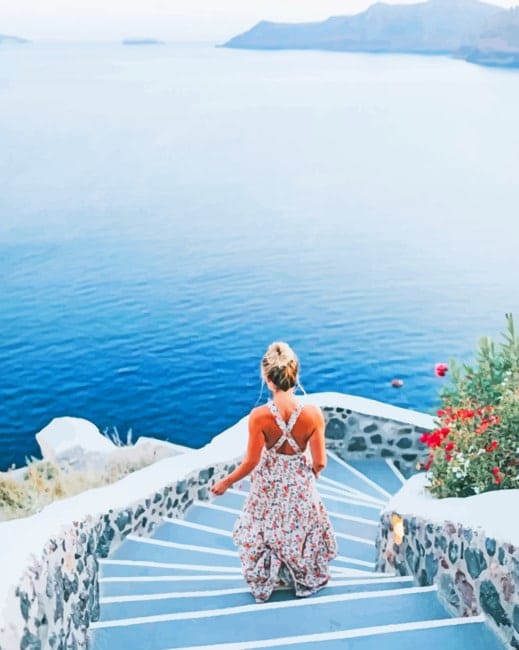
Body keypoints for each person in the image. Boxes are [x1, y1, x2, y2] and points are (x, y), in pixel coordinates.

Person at [210, 341, 338, 603]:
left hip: (267, 485)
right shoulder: (313, 414)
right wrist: (309, 476)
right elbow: (321, 462)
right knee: (298, 529)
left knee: (266, 530)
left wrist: (226, 482)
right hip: (299, 483)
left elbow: (251, 462)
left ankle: (269, 576)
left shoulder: (259, 416)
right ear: (295, 373)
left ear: (267, 379)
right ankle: (300, 574)